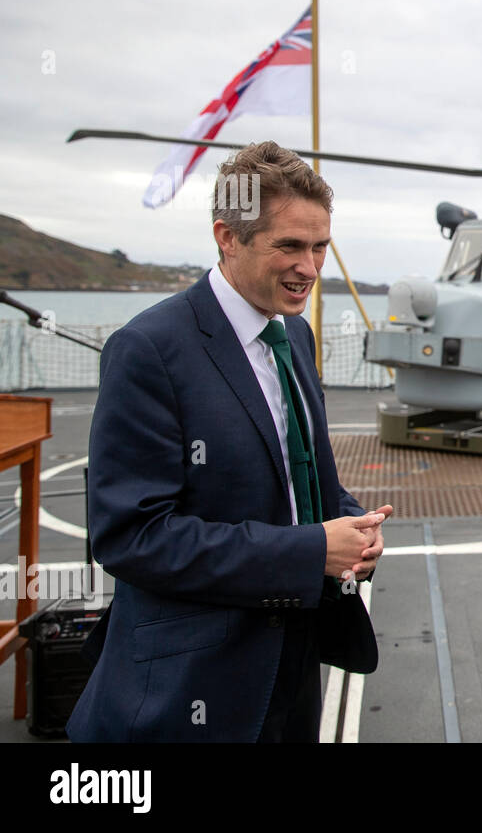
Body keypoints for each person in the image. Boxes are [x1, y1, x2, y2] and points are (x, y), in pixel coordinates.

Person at [68, 141, 391, 742]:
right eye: (289, 246)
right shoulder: (149, 350)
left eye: (321, 246)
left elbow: (305, 480)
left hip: (293, 668)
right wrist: (309, 553)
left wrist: (351, 528)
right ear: (228, 237)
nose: (311, 267)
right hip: (192, 685)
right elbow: (129, 537)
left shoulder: (293, 336)